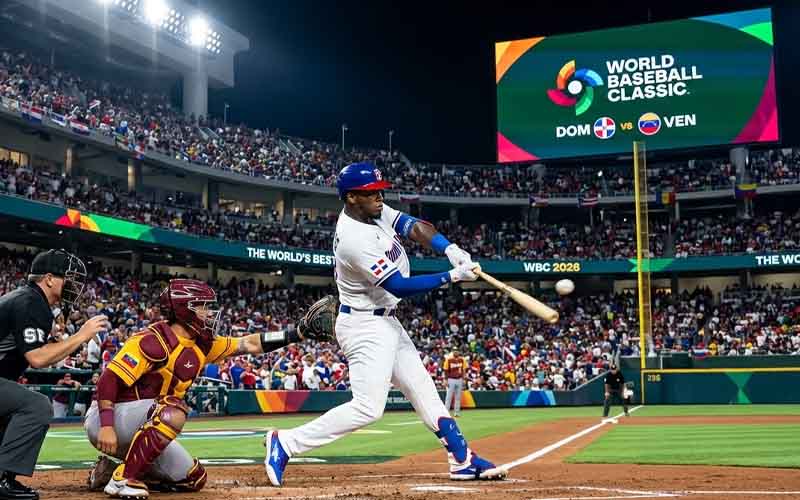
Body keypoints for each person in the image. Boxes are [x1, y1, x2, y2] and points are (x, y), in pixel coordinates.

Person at [264, 163, 507, 487]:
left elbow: (412, 225)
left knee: (423, 390)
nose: (379, 197)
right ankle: (286, 443)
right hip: (364, 325)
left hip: (385, 321)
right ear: (351, 197)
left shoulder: (371, 211)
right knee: (368, 408)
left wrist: (449, 249)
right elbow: (399, 286)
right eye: (370, 193)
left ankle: (462, 460)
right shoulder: (354, 238)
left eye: (380, 190)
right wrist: (451, 276)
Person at [83, 279, 334, 499]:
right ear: (184, 310)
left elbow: (248, 344)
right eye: (203, 306)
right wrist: (106, 425)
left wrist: (296, 333)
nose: (210, 313)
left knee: (193, 478)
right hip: (109, 418)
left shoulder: (202, 344)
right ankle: (124, 479)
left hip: (147, 422)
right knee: (173, 409)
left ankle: (108, 473)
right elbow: (109, 380)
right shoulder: (152, 340)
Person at [0, 248, 108, 500]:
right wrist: (81, 335)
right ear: (49, 278)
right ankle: (4, 480)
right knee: (37, 406)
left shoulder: (25, 298)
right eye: (67, 278)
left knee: (9, 410)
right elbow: (37, 358)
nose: (74, 285)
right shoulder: (31, 302)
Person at [443, 350, 466, 417]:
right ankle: (446, 412)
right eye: (455, 351)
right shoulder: (449, 360)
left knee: (458, 397)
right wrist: (446, 380)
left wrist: (464, 379)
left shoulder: (462, 360)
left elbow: (464, 370)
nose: (456, 352)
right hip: (451, 379)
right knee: (449, 396)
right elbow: (446, 370)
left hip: (459, 379)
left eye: (457, 351)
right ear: (453, 353)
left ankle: (457, 412)